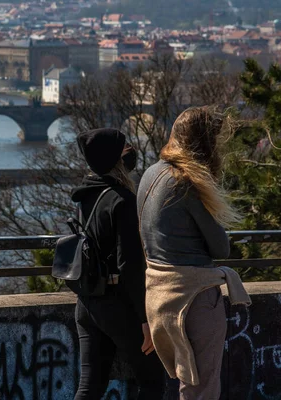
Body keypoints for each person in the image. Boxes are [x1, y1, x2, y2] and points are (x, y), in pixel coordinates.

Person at [137, 106, 243, 399]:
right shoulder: (186, 182)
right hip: (194, 298)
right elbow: (221, 247)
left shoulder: (150, 174)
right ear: (204, 144)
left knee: (186, 383)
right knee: (202, 387)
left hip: (158, 295)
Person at [72, 128, 166, 400]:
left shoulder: (86, 196)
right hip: (118, 306)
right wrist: (144, 319)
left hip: (87, 302)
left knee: (90, 386)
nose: (131, 152)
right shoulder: (123, 201)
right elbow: (130, 266)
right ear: (115, 157)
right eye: (125, 148)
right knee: (151, 379)